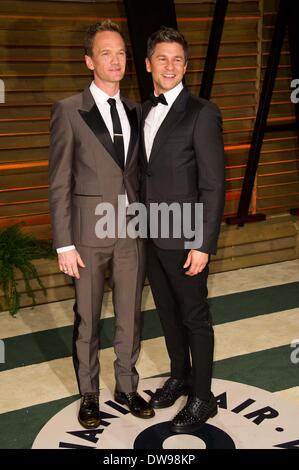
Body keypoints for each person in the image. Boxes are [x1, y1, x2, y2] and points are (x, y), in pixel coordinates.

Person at [48, 20, 154, 430]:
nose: (115, 60)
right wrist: (63, 244)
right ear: (89, 60)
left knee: (131, 315)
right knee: (87, 319)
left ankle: (127, 385)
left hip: (131, 233)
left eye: (121, 53)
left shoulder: (136, 111)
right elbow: (59, 181)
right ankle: (89, 394)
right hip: (87, 237)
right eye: (106, 53)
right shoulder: (69, 110)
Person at [140, 27, 225, 433]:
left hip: (187, 236)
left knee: (195, 317)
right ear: (149, 64)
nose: (169, 66)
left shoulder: (202, 112)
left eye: (177, 59)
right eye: (162, 58)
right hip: (150, 235)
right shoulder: (142, 110)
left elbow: (213, 184)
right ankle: (179, 375)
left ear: (186, 66)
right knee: (168, 314)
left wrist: (203, 243)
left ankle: (203, 397)